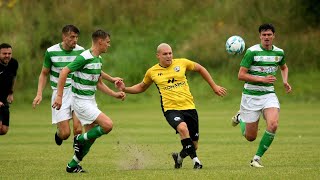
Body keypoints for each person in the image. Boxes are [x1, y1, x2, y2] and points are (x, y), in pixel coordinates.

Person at [115, 43, 227, 169]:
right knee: (183, 128)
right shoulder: (152, 72)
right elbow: (141, 87)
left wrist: (214, 86)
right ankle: (197, 162)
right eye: (165, 54)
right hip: (171, 109)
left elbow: (201, 69)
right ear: (158, 56)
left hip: (189, 107)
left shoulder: (182, 63)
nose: (169, 56)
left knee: (193, 145)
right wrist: (125, 89)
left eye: (170, 53)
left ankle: (179, 158)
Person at [32, 25, 121, 146]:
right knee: (65, 133)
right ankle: (59, 133)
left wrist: (111, 79)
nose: (75, 40)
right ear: (64, 37)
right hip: (60, 93)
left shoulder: (82, 51)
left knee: (78, 129)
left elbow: (93, 68)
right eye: (72, 37)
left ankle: (75, 161)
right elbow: (43, 74)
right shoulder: (51, 52)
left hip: (76, 92)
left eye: (77, 37)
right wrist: (39, 94)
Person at [52, 29, 126, 173]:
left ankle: (72, 165)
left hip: (90, 101)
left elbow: (99, 83)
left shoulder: (98, 58)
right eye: (107, 42)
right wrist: (59, 96)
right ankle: (79, 139)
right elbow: (64, 71)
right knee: (108, 125)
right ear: (100, 41)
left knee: (90, 139)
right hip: (81, 102)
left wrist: (114, 94)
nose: (109, 45)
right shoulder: (84, 57)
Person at [231, 23, 292, 168]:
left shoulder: (279, 53)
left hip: (268, 94)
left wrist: (285, 81)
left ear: (273, 36)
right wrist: (262, 79)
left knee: (273, 124)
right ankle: (240, 118)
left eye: (269, 35)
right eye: (264, 35)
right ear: (260, 36)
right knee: (250, 137)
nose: (266, 37)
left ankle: (256, 159)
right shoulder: (252, 52)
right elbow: (241, 75)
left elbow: (284, 67)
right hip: (250, 96)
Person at [0, 43, 18, 135]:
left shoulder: (14, 63)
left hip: (4, 98)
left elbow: (13, 78)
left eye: (9, 53)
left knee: (3, 130)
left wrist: (11, 93)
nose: (7, 56)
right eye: (4, 53)